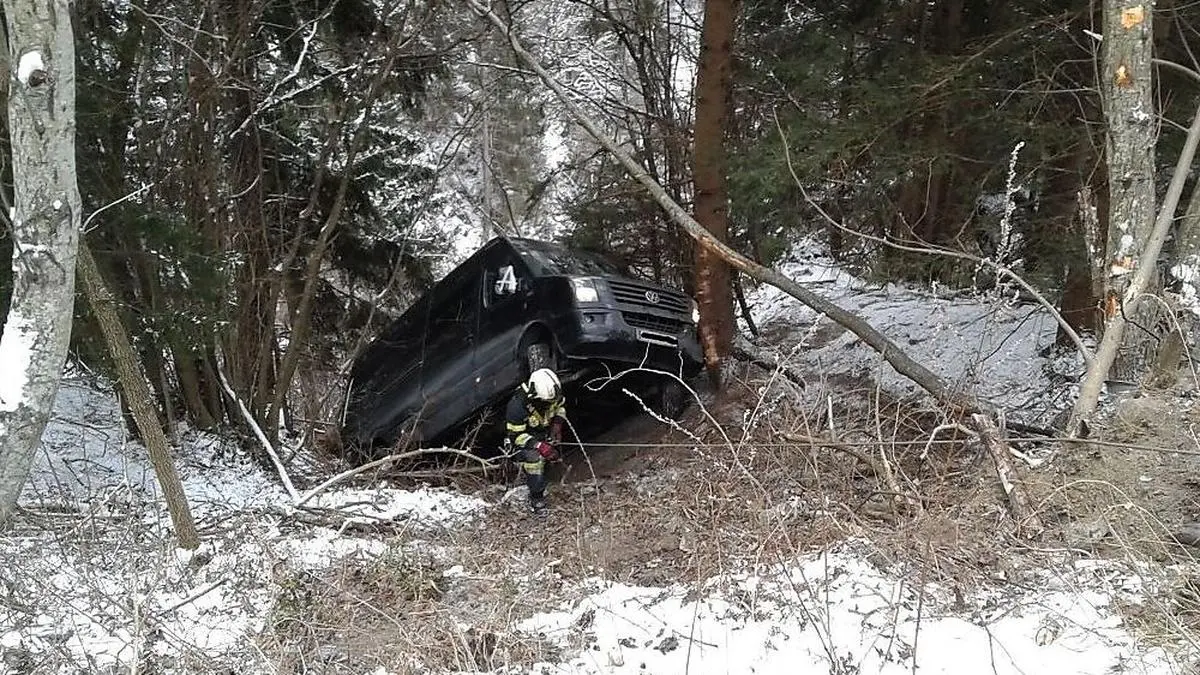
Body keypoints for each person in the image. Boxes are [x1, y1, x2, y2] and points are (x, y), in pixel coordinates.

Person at [505, 367, 567, 513]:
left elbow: (560, 406)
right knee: (535, 459)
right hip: (523, 442)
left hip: (542, 433)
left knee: (549, 454)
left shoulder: (553, 395)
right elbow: (516, 436)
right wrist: (539, 446)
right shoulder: (517, 406)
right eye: (546, 402)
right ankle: (536, 498)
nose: (549, 404)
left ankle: (550, 476)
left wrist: (557, 424)